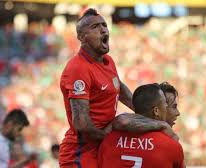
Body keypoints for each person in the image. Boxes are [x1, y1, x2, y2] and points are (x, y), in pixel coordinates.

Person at [59, 8, 175, 168]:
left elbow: (122, 91)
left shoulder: (108, 61)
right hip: (80, 153)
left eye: (104, 25)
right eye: (95, 27)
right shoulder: (78, 68)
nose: (103, 29)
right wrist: (110, 135)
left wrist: (147, 116)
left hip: (102, 148)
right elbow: (82, 124)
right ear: (82, 37)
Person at [98, 83, 184, 168]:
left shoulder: (108, 140)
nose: (177, 113)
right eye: (166, 104)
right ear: (156, 111)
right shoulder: (171, 146)